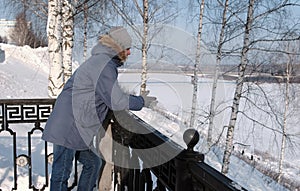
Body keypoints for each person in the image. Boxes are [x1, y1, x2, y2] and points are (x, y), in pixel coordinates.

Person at [42, 26, 156, 191]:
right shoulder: (104, 65)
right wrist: (141, 102)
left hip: (73, 125)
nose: (130, 53)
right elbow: (116, 101)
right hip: (70, 126)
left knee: (92, 163)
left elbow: (107, 94)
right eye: (127, 48)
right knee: (61, 174)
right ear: (117, 47)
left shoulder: (101, 62)